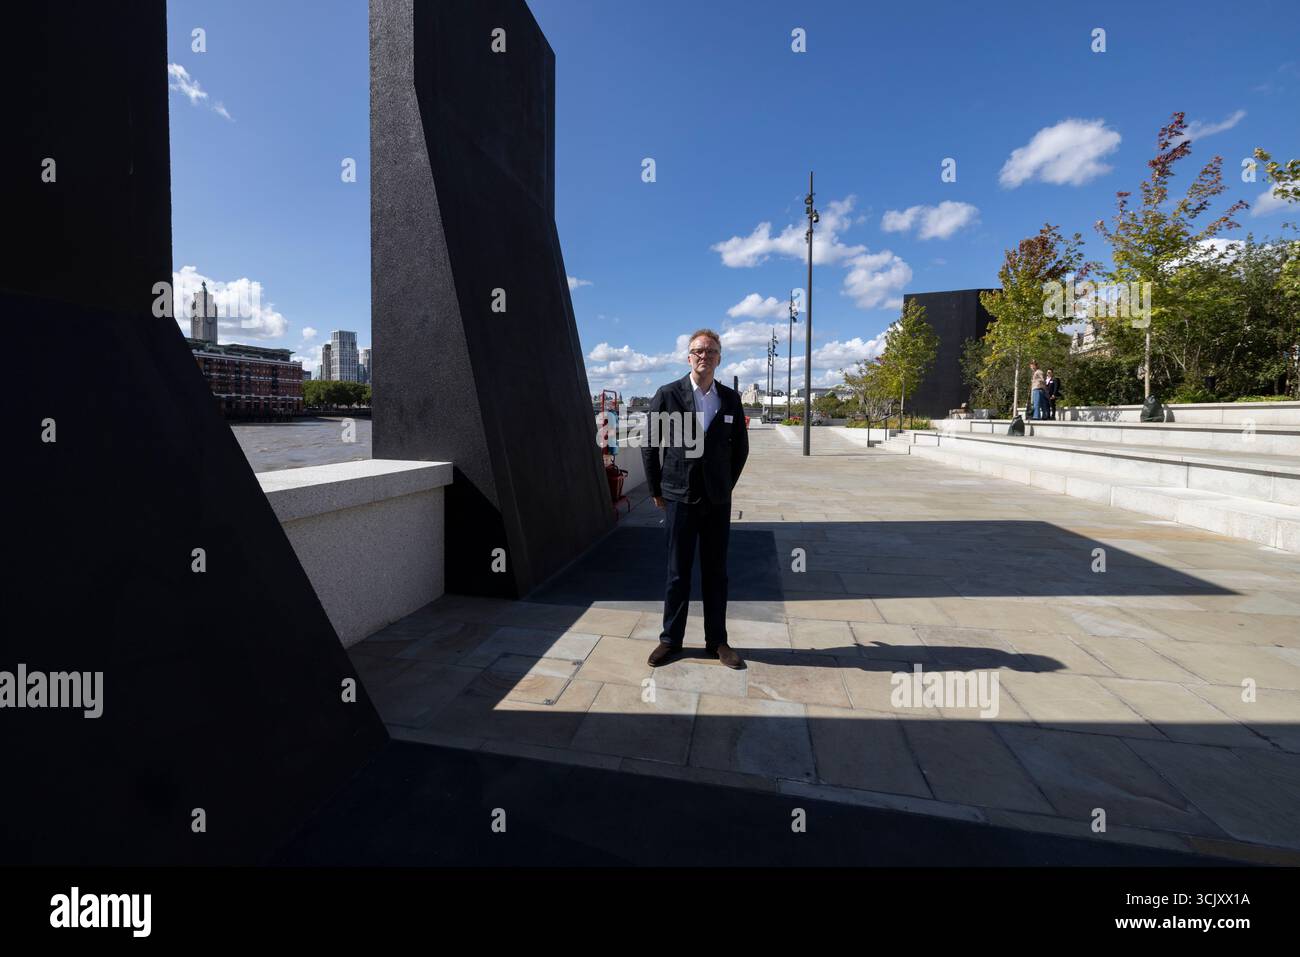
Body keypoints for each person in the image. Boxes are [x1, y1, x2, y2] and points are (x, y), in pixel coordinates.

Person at [641, 329, 749, 669]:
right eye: (698, 351)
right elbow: (650, 444)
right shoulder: (668, 394)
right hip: (679, 497)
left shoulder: (730, 399)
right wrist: (657, 489)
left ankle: (717, 641)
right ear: (689, 357)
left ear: (719, 358)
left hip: (717, 501)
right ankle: (670, 640)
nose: (705, 356)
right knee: (678, 572)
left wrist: (724, 485)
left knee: (717, 572)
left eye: (711, 351)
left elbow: (740, 449)